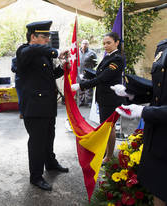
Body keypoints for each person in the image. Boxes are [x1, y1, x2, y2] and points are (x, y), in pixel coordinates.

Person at [16, 20, 70, 191]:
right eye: (44, 36)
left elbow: (50, 75)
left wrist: (63, 67)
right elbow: (34, 49)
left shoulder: (43, 53)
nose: (47, 39)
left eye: (48, 36)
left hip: (47, 104)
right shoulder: (24, 51)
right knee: (37, 142)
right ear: (33, 36)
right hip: (34, 107)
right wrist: (56, 51)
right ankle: (36, 176)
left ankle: (51, 163)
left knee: (49, 137)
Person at [113, 38, 167, 206]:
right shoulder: (163, 45)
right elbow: (159, 90)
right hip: (159, 136)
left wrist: (144, 111)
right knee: (159, 189)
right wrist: (133, 95)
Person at [71, 32, 125, 163]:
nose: (105, 45)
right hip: (104, 97)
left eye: (109, 43)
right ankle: (106, 151)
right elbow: (100, 74)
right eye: (104, 43)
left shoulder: (117, 58)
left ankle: (109, 156)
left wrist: (81, 86)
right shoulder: (108, 57)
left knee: (108, 128)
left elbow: (104, 78)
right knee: (104, 127)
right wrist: (89, 76)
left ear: (117, 42)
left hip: (111, 99)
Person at [78, 40, 97, 106]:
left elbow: (95, 63)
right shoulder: (77, 53)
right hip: (79, 72)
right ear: (81, 44)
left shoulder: (92, 53)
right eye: (83, 43)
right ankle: (81, 101)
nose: (84, 45)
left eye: (86, 44)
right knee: (80, 87)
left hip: (87, 73)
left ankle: (89, 101)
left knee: (88, 88)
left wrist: (90, 68)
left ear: (88, 45)